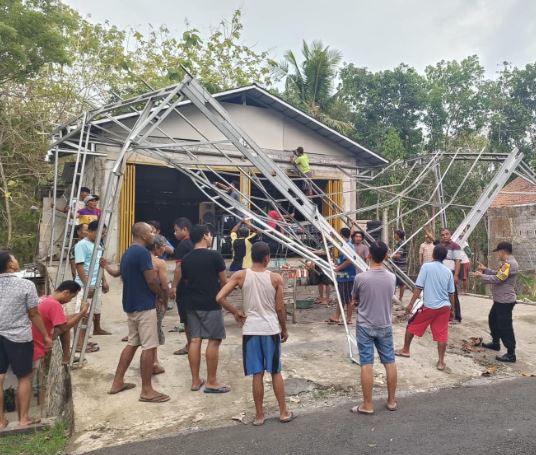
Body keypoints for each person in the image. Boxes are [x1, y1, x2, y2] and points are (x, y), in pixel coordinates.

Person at [216, 241, 295, 425]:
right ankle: (283, 412)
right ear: (267, 258)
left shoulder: (241, 275)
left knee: (257, 374)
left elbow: (219, 297)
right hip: (270, 329)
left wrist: (236, 312)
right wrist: (284, 329)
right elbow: (280, 308)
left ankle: (259, 416)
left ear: (252, 257)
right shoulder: (275, 278)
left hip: (251, 330)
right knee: (275, 372)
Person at [101, 222, 170, 402]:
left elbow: (119, 274)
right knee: (149, 346)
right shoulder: (142, 253)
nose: (153, 235)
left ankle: (118, 382)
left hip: (130, 305)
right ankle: (147, 390)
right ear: (144, 235)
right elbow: (151, 281)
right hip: (144, 305)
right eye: (151, 232)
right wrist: (162, 296)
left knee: (132, 343)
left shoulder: (127, 252)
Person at [0, 251, 51, 428]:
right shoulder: (26, 285)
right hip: (18, 337)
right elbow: (33, 313)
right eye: (14, 258)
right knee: (24, 376)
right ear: (10, 265)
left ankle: (0, 422)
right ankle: (23, 419)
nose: (17, 260)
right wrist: (45, 335)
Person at [181, 224, 230, 393]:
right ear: (204, 236)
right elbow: (224, 282)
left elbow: (186, 281)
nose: (211, 238)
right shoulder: (214, 256)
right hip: (210, 303)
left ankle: (195, 381)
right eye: (210, 235)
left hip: (191, 303)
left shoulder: (186, 259)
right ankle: (211, 381)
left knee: (195, 340)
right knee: (214, 340)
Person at [350, 241, 397, 415]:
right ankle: (391, 401)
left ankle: (367, 405)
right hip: (385, 324)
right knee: (390, 362)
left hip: (365, 325)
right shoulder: (392, 277)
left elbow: (355, 298)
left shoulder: (360, 278)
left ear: (368, 255)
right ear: (386, 256)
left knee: (366, 364)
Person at [396, 245, 456, 371]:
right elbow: (451, 293)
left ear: (433, 255)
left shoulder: (426, 267)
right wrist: (453, 309)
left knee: (411, 325)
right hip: (445, 307)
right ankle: (440, 362)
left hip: (430, 306)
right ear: (444, 257)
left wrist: (411, 304)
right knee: (442, 334)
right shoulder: (448, 271)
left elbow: (419, 287)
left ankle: (405, 350)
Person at [475, 241, 519, 363]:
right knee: (493, 319)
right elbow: (498, 274)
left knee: (505, 327)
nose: (497, 255)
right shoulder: (507, 264)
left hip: (505, 301)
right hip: (500, 300)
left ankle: (511, 354)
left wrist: (481, 276)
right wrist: (486, 270)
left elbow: (498, 279)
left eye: (498, 252)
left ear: (503, 251)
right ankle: (495, 343)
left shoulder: (510, 264)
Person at [32, 281, 88, 366]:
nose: (69, 301)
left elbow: (61, 318)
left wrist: (77, 314)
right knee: (64, 327)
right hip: (39, 341)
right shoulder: (54, 304)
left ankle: (67, 356)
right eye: (71, 297)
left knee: (64, 323)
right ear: (66, 292)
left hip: (32, 337)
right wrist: (82, 312)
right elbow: (64, 327)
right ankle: (66, 357)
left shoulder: (44, 298)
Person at [74, 220, 110, 339]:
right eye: (101, 233)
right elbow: (79, 266)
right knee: (83, 312)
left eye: (104, 234)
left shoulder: (98, 245)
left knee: (97, 307)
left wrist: (103, 280)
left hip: (96, 282)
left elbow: (100, 264)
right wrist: (86, 285)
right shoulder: (81, 245)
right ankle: (80, 340)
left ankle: (97, 329)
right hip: (84, 284)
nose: (103, 236)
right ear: (91, 231)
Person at [170, 217, 194, 355]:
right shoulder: (195, 243)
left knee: (186, 318)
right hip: (195, 285)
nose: (175, 233)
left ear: (184, 229)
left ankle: (190, 345)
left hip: (184, 287)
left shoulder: (183, 245)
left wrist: (174, 287)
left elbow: (178, 268)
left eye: (176, 230)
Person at [148, 235, 170, 374]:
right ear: (156, 246)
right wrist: (165, 301)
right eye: (163, 246)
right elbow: (164, 286)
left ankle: (153, 360)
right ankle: (153, 362)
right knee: (154, 332)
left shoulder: (139, 258)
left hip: (140, 299)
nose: (165, 249)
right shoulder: (159, 263)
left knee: (147, 333)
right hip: (155, 300)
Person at [328, 228, 357, 325]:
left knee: (347, 298)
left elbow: (349, 261)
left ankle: (348, 319)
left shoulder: (347, 246)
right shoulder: (346, 245)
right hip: (344, 275)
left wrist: (338, 268)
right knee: (342, 297)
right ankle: (337, 316)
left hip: (346, 276)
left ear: (341, 235)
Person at [440, 228, 462, 323]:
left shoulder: (455, 246)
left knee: (453, 294)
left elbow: (458, 261)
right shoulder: (440, 246)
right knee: (442, 294)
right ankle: (445, 315)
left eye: (447, 234)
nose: (445, 236)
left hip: (451, 273)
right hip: (441, 273)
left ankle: (457, 317)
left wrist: (456, 275)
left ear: (450, 235)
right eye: (443, 235)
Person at [392, 229, 408, 302]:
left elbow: (398, 255)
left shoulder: (401, 243)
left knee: (401, 283)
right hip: (397, 265)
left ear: (398, 235)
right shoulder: (398, 243)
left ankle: (400, 299)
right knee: (394, 282)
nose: (394, 235)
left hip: (401, 266)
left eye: (395, 234)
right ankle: (395, 298)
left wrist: (390, 256)